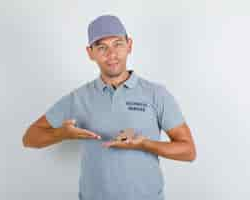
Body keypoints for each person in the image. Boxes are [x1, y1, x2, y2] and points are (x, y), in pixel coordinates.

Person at [22, 14, 197, 200]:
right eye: (102, 47)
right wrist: (62, 134)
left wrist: (145, 144)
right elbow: (30, 138)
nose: (111, 54)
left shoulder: (157, 94)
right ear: (90, 53)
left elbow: (188, 151)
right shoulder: (79, 97)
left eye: (118, 44)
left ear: (129, 45)